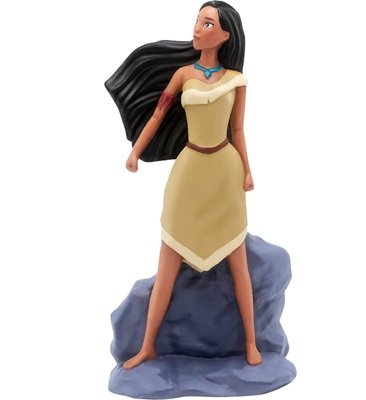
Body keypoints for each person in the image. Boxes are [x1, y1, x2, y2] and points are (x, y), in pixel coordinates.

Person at [105, 1, 263, 369]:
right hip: (189, 171)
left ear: (225, 35)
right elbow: (158, 115)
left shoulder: (236, 80)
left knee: (238, 260)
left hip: (224, 173)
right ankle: (148, 345)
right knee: (168, 258)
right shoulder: (181, 75)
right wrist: (135, 152)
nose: (197, 28)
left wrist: (247, 171)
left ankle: (251, 342)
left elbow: (238, 129)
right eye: (197, 21)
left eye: (207, 23)